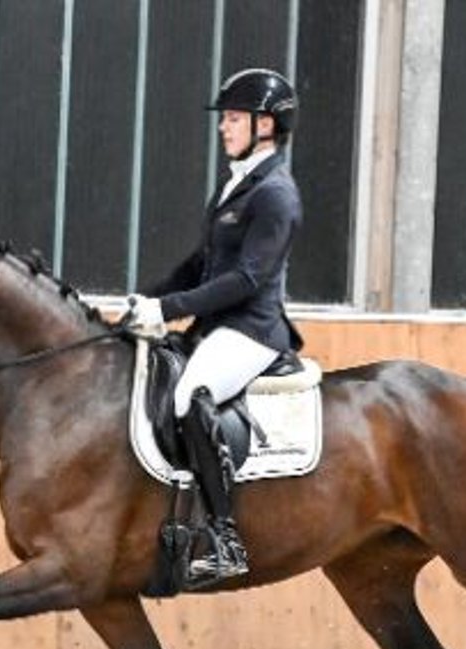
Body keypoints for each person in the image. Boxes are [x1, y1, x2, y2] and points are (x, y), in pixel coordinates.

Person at [127, 67, 304, 588]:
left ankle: (225, 537)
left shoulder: (276, 195)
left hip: (249, 331)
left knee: (189, 395)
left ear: (265, 125)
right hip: (215, 324)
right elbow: (203, 261)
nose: (223, 128)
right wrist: (151, 299)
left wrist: (170, 309)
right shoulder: (237, 186)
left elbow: (248, 278)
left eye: (232, 119)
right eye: (224, 119)